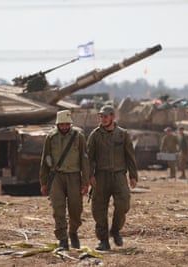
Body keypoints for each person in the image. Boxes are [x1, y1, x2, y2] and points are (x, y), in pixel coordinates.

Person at [87, 105, 138, 251]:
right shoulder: (95, 135)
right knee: (98, 209)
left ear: (113, 117)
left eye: (106, 116)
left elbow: (130, 156)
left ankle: (115, 230)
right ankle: (103, 240)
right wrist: (90, 176)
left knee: (123, 205)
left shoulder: (122, 134)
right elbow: (89, 158)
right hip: (101, 177)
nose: (103, 119)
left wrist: (133, 176)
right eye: (101, 116)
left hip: (119, 176)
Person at [39, 110, 90, 250]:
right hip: (56, 177)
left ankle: (73, 231)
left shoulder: (78, 136)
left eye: (67, 124)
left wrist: (85, 182)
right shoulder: (51, 137)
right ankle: (62, 239)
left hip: (74, 176)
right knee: (58, 209)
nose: (64, 127)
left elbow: (84, 159)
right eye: (62, 125)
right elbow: (45, 160)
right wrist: (43, 182)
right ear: (57, 124)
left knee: (76, 209)